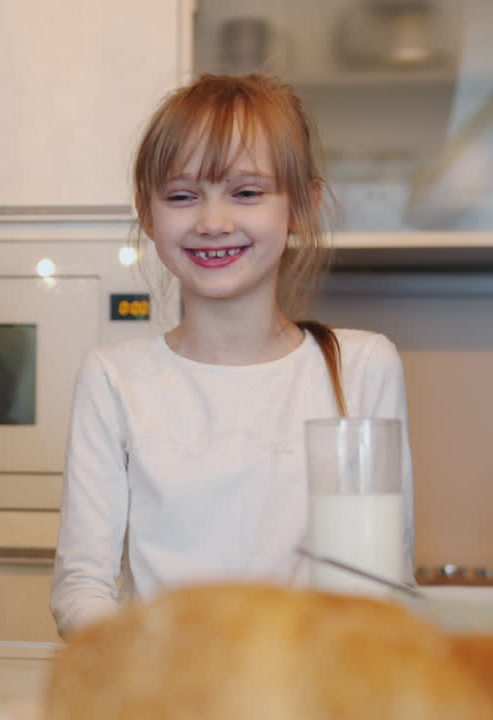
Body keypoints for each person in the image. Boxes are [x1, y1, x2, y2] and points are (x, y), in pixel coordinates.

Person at [49, 73, 414, 636]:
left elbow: (382, 586)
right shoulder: (114, 378)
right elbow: (82, 586)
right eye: (182, 196)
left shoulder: (361, 368)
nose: (212, 222)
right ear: (147, 214)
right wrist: (144, 664)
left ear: (302, 205)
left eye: (246, 193)